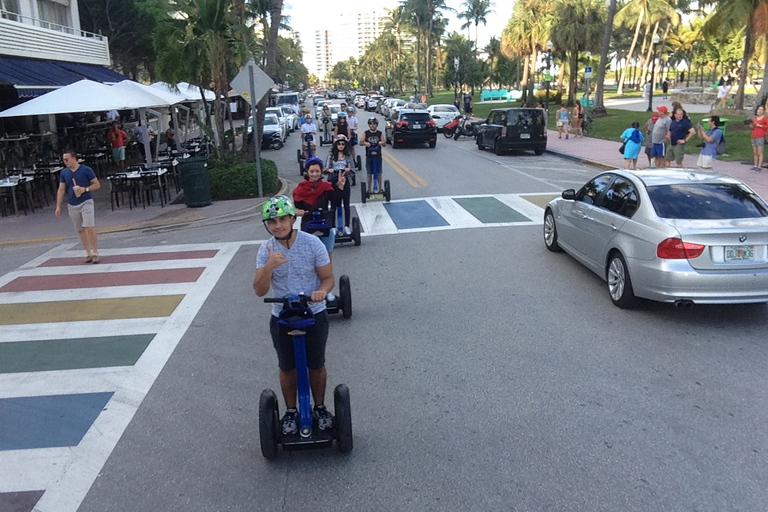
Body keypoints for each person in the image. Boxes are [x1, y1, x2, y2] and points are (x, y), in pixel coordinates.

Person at [253, 195, 336, 436]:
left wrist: (321, 292)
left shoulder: (312, 244)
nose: (277, 225)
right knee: (287, 366)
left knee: (316, 364)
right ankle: (291, 411)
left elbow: (328, 278)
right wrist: (268, 266)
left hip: (313, 312)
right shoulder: (265, 250)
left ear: (291, 219)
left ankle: (319, 407)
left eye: (282, 219)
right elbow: (259, 290)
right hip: (282, 315)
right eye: (272, 222)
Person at [293, 157, 345, 266]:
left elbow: (336, 202)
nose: (314, 174)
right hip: (308, 225)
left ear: (321, 172)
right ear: (307, 172)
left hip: (325, 225)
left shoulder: (325, 187)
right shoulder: (300, 189)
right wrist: (298, 211)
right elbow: (297, 206)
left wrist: (340, 187)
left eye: (317, 171)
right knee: (309, 259)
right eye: (312, 171)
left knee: (327, 258)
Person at [55, 149, 101, 263]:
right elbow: (61, 189)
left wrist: (85, 189)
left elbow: (97, 184)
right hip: (72, 203)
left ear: (74, 158)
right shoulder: (64, 172)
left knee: (89, 226)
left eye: (67, 159)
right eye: (63, 160)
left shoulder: (86, 170)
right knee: (80, 229)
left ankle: (95, 251)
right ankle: (88, 252)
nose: (65, 161)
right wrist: (58, 206)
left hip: (86, 200)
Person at [325, 134, 355, 235]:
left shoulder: (348, 156)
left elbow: (351, 167)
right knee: (333, 205)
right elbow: (326, 168)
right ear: (336, 145)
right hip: (334, 181)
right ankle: (333, 226)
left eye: (343, 144)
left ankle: (346, 225)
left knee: (346, 204)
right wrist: (331, 170)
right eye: (339, 144)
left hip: (344, 180)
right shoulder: (331, 156)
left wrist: (348, 169)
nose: (341, 146)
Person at [362, 117, 386, 193]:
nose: (372, 125)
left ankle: (380, 188)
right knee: (369, 173)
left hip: (378, 156)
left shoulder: (379, 133)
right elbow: (360, 142)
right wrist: (366, 143)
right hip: (369, 156)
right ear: (369, 125)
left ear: (376, 125)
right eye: (371, 124)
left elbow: (384, 143)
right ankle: (369, 189)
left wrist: (381, 142)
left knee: (379, 173)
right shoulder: (366, 133)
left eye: (374, 124)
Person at [749, 104, 768, 172]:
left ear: (763, 111)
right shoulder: (755, 119)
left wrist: (759, 125)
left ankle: (759, 166)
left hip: (760, 136)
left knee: (760, 152)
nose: (759, 111)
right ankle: (755, 165)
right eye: (758, 109)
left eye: (761, 110)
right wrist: (752, 126)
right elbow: (752, 128)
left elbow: (766, 127)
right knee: (755, 152)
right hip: (754, 135)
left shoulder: (765, 118)